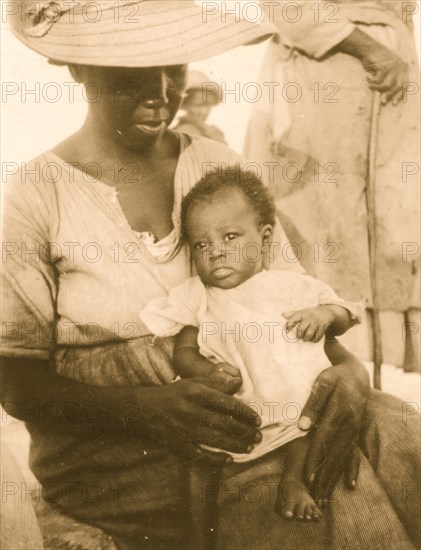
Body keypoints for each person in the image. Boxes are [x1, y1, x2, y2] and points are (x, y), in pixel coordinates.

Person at [1, 1, 419, 549]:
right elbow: (16, 382)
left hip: (264, 410)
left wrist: (349, 373)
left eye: (172, 66)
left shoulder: (222, 169)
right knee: (331, 501)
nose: (159, 91)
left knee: (399, 434)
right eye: (131, 69)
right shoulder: (36, 196)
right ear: (77, 67)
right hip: (118, 451)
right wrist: (145, 411)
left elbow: (283, 300)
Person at [140, 167, 364, 524]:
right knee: (198, 463)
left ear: (264, 239)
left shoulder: (292, 285)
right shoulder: (198, 296)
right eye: (202, 244)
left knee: (305, 425)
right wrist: (206, 372)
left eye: (230, 236)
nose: (215, 252)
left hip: (292, 399)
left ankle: (292, 483)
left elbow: (347, 312)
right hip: (233, 408)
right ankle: (198, 537)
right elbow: (183, 351)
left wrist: (324, 315)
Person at [244, 0, 420, 370]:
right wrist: (370, 49)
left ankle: (390, 385)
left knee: (395, 235)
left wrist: (399, 50)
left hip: (392, 71)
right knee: (325, 236)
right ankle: (332, 379)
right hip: (330, 62)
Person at [174, 70, 227, 143]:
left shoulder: (209, 131)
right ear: (186, 104)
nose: (204, 111)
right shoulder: (185, 131)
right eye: (197, 104)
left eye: (208, 105)